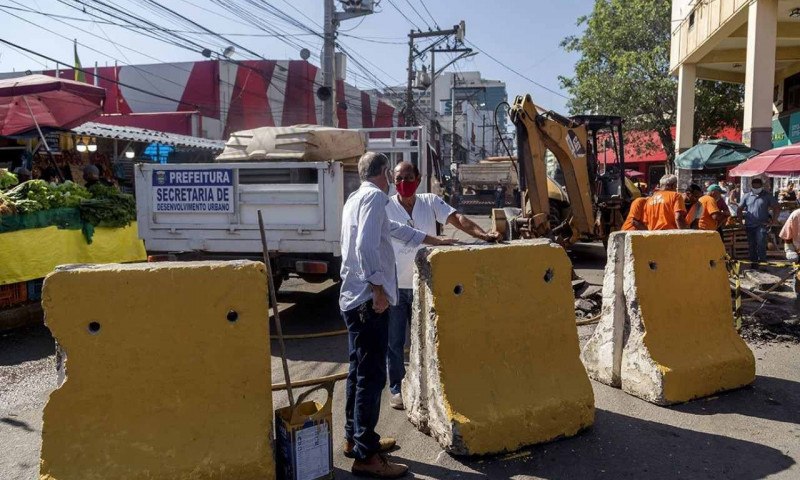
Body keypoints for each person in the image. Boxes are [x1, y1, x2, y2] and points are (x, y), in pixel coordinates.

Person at [339, 152, 453, 478]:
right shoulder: (376, 197)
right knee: (372, 378)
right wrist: (377, 288)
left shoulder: (355, 198)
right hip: (366, 301)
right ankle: (367, 456)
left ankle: (356, 438)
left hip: (350, 298)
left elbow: (396, 230)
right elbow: (364, 247)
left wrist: (434, 239)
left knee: (357, 372)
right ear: (386, 173)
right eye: (393, 174)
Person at [385, 161, 501, 411]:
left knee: (426, 338)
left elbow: (457, 218)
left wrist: (482, 234)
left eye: (408, 177)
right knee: (394, 343)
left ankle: (426, 384)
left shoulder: (429, 201)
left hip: (425, 284)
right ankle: (396, 388)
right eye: (398, 178)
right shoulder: (386, 206)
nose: (403, 182)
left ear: (418, 177)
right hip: (395, 286)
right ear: (393, 181)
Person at [738, 177, 780, 265]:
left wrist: (774, 221)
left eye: (758, 187)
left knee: (761, 243)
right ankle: (754, 264)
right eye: (754, 187)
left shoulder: (767, 195)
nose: (756, 189)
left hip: (762, 224)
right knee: (752, 245)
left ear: (761, 186)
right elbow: (739, 209)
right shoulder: (746, 196)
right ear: (751, 186)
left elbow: (776, 207)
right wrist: (740, 222)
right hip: (749, 225)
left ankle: (762, 263)